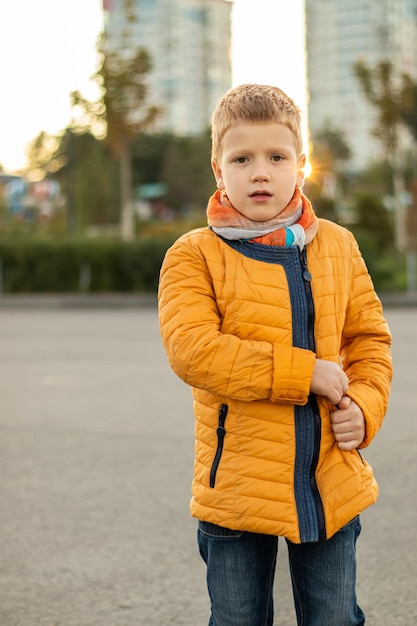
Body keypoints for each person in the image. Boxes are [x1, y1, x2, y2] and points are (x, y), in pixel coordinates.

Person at [158, 84, 392, 626]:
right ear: (219, 170)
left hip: (329, 479)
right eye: (242, 158)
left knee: (334, 617)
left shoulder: (338, 245)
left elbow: (369, 343)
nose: (259, 172)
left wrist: (365, 405)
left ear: (302, 165)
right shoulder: (195, 255)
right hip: (236, 489)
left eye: (276, 157)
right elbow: (193, 351)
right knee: (238, 618)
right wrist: (304, 372)